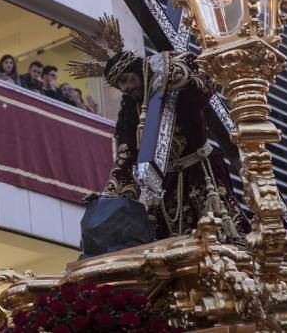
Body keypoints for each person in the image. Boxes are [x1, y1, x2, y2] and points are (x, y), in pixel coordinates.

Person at [68, 17, 250, 241]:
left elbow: (203, 86)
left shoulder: (172, 87)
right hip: (166, 183)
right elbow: (126, 159)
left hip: (200, 171)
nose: (126, 88)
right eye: (120, 85)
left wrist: (176, 72)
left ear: (140, 70)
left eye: (127, 79)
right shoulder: (131, 115)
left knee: (219, 234)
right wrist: (107, 200)